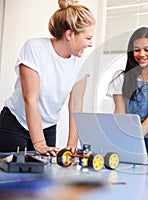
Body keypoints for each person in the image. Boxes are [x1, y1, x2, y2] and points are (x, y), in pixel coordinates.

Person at [0, 0, 96, 156]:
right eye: (88, 38)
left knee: (44, 175)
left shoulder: (81, 60)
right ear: (70, 34)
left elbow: (76, 104)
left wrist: (72, 144)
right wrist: (39, 144)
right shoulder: (35, 48)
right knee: (10, 176)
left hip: (48, 127)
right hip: (16, 124)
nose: (91, 44)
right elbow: (31, 99)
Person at [107, 27, 148, 158]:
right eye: (137, 50)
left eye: (147, 49)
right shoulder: (121, 77)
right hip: (128, 140)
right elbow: (120, 113)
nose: (141, 54)